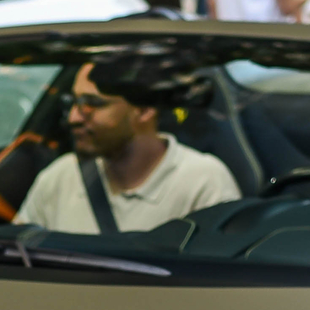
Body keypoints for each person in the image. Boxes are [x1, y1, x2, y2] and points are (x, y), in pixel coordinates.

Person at [16, 61, 240, 234]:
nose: (74, 117)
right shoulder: (59, 178)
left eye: (92, 104)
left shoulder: (204, 182)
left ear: (143, 110)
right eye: (73, 102)